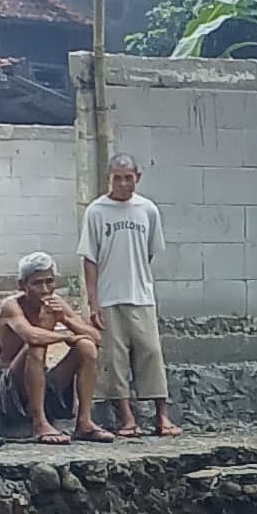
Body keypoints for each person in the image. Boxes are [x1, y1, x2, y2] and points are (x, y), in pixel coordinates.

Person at [81, 153, 178, 438]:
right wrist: (93, 300)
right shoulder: (96, 211)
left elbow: (149, 252)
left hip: (142, 295)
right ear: (108, 179)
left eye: (128, 178)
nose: (123, 184)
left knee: (151, 353)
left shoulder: (148, 210)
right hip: (109, 297)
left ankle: (162, 416)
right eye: (117, 178)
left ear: (138, 177)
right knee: (115, 359)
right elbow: (89, 258)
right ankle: (127, 418)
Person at [0, 251, 106, 445]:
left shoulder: (56, 302)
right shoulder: (11, 305)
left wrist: (65, 319)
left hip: (41, 376)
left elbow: (96, 337)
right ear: (22, 285)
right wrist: (66, 336)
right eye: (37, 283)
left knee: (86, 347)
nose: (45, 289)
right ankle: (39, 423)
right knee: (35, 346)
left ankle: (84, 422)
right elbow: (32, 336)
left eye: (49, 281)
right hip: (11, 387)